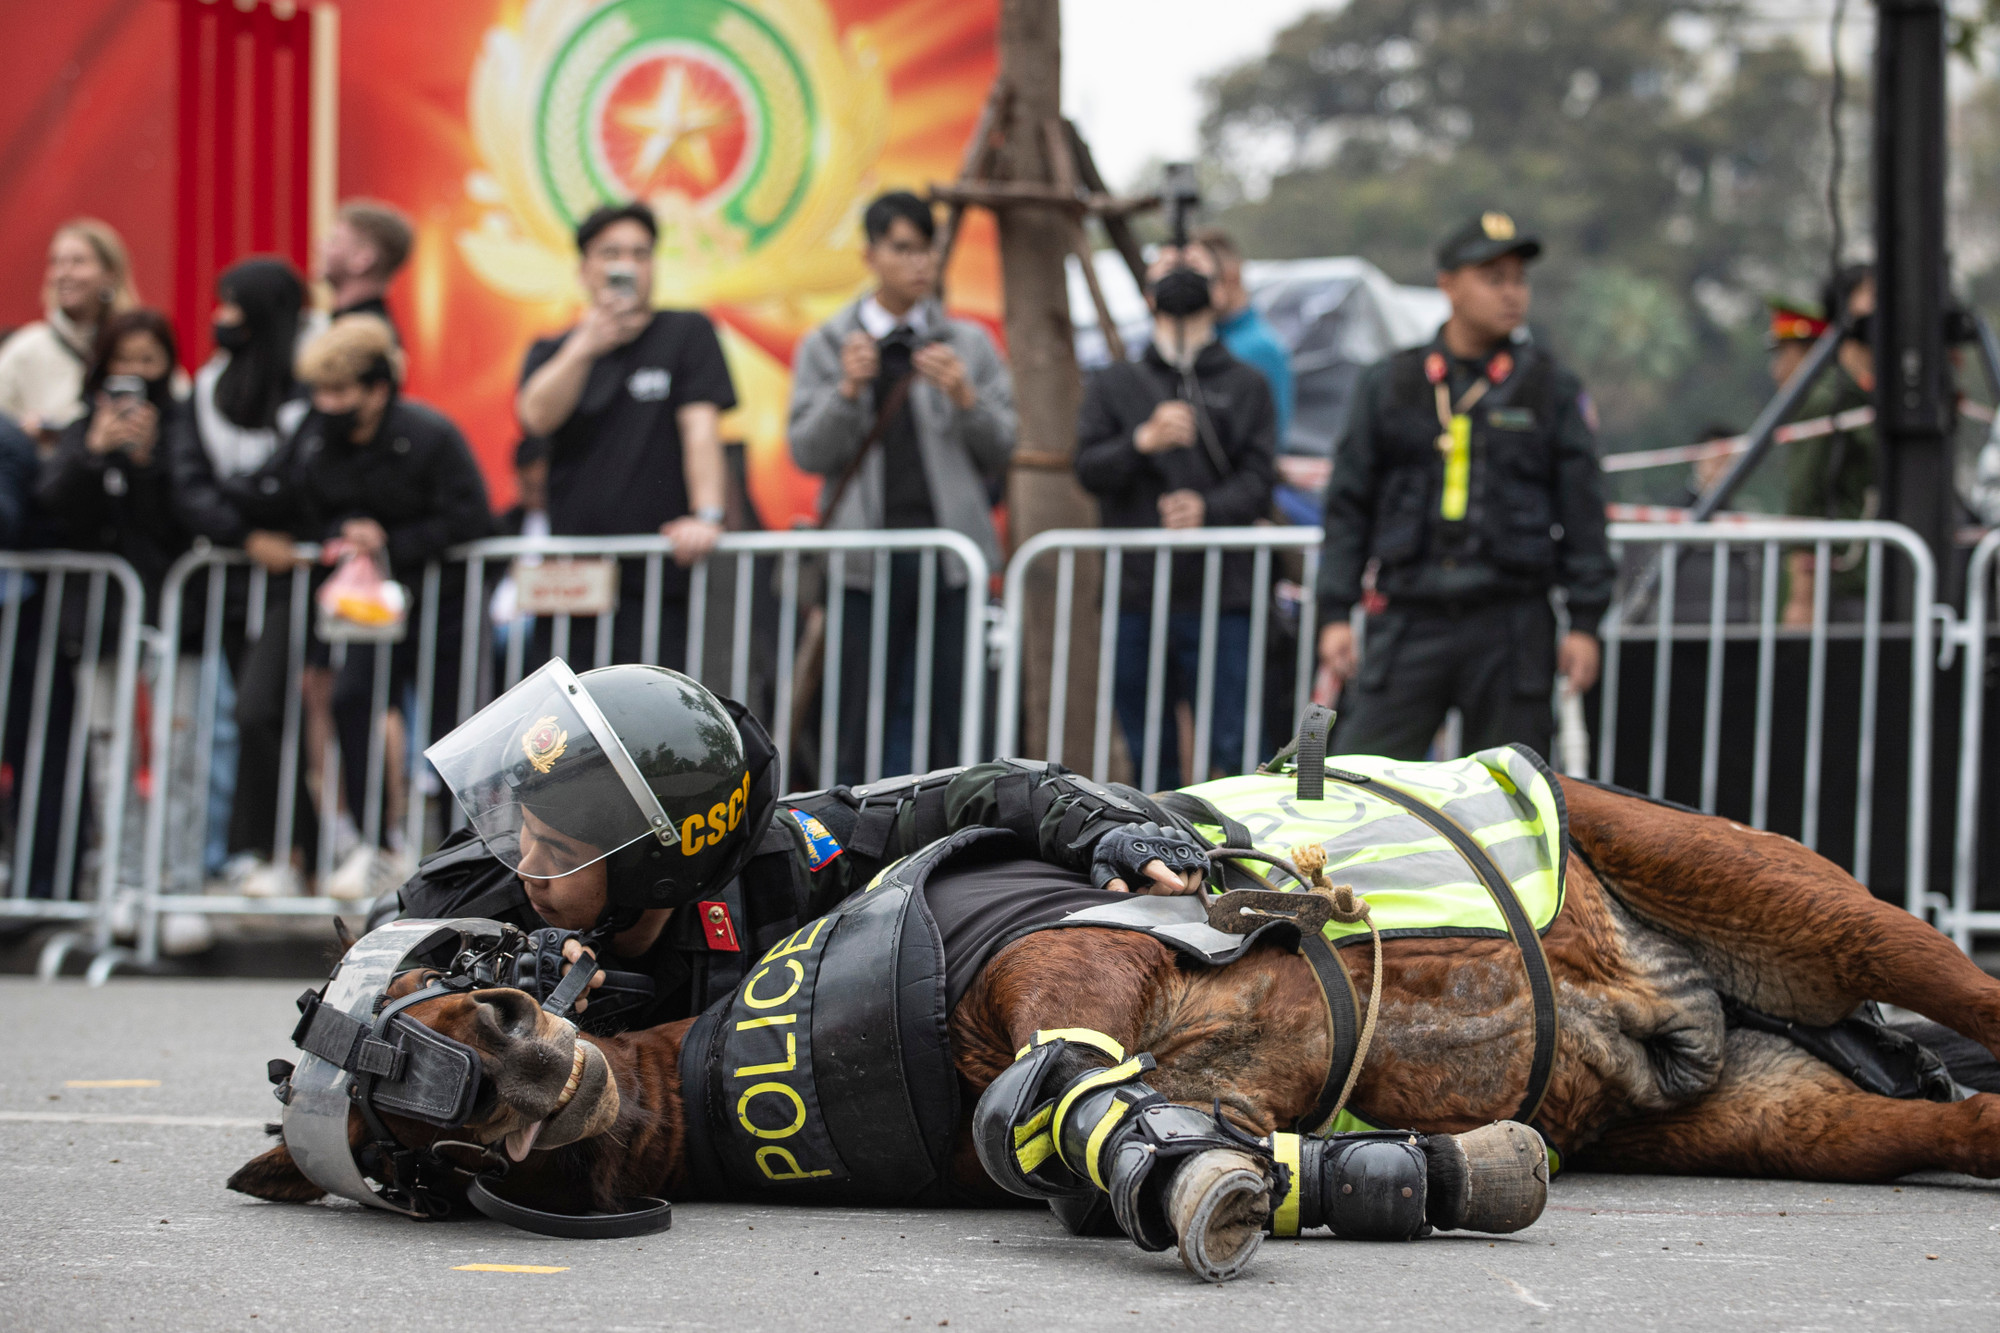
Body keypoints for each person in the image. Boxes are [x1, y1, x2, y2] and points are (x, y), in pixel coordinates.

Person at [383, 659, 1213, 1035]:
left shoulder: (786, 859)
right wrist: (474, 992)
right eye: (521, 828)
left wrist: (1110, 827)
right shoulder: (484, 887)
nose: (524, 861)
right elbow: (360, 992)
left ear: (658, 860)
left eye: (558, 847)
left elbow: (984, 786)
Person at [1316, 212, 1613, 762]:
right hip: (1409, 618)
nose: (1512, 293)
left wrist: (1586, 622)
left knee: (1510, 796)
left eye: (1519, 279)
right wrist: (1334, 612)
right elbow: (1348, 505)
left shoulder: (1550, 386)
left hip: (1511, 623)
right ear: (1448, 285)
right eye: (1493, 277)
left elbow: (1583, 513)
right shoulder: (1391, 382)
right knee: (1360, 778)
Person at [227, 315, 492, 895]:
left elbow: (471, 517)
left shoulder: (429, 435)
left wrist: (394, 541)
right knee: (351, 701)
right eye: (320, 392)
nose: (328, 403)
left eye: (341, 391)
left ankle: (466, 858)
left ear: (376, 389)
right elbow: (285, 495)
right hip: (370, 617)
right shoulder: (316, 435)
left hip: (442, 607)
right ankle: (379, 844)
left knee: (457, 733)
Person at [788, 191, 1017, 781]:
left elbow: (1005, 446)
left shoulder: (965, 343)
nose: (922, 264)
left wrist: (966, 399)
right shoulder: (829, 343)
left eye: (930, 250)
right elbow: (807, 452)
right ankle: (852, 854)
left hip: (951, 560)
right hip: (863, 563)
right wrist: (845, 392)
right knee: (857, 717)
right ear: (871, 254)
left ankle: (964, 843)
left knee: (958, 716)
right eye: (904, 249)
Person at [1075, 242, 1278, 788]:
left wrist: (1208, 508)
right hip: (1137, 593)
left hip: (1223, 593)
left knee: (1233, 743)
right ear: (1146, 293)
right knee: (1147, 747)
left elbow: (1262, 480)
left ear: (1219, 289)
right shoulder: (1114, 383)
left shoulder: (1247, 383)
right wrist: (1140, 441)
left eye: (1195, 271)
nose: (1181, 279)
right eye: (1167, 269)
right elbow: (1088, 468)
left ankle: (1237, 861)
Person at [516, 201, 735, 669]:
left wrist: (707, 514)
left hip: (656, 570)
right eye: (611, 253)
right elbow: (535, 416)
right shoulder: (556, 349)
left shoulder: (686, 332)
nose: (627, 266)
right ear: (585, 269)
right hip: (574, 575)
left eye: (640, 254)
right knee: (567, 726)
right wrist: (586, 346)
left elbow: (701, 430)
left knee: (648, 717)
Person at [1782, 264, 1877, 624]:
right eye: (1873, 296)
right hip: (1840, 589)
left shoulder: (1887, 398)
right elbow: (1804, 499)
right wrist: (1801, 602)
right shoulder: (1828, 400)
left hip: (1882, 581)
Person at [0, 220, 137, 442]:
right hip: (43, 474)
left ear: (110, 273)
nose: (63, 273)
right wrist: (19, 436)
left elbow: (179, 414)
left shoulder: (135, 345)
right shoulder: (27, 348)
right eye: (57, 262)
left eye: (78, 262)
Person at [317, 199, 414, 335]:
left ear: (362, 259)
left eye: (334, 241)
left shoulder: (362, 340)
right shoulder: (370, 331)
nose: (320, 246)